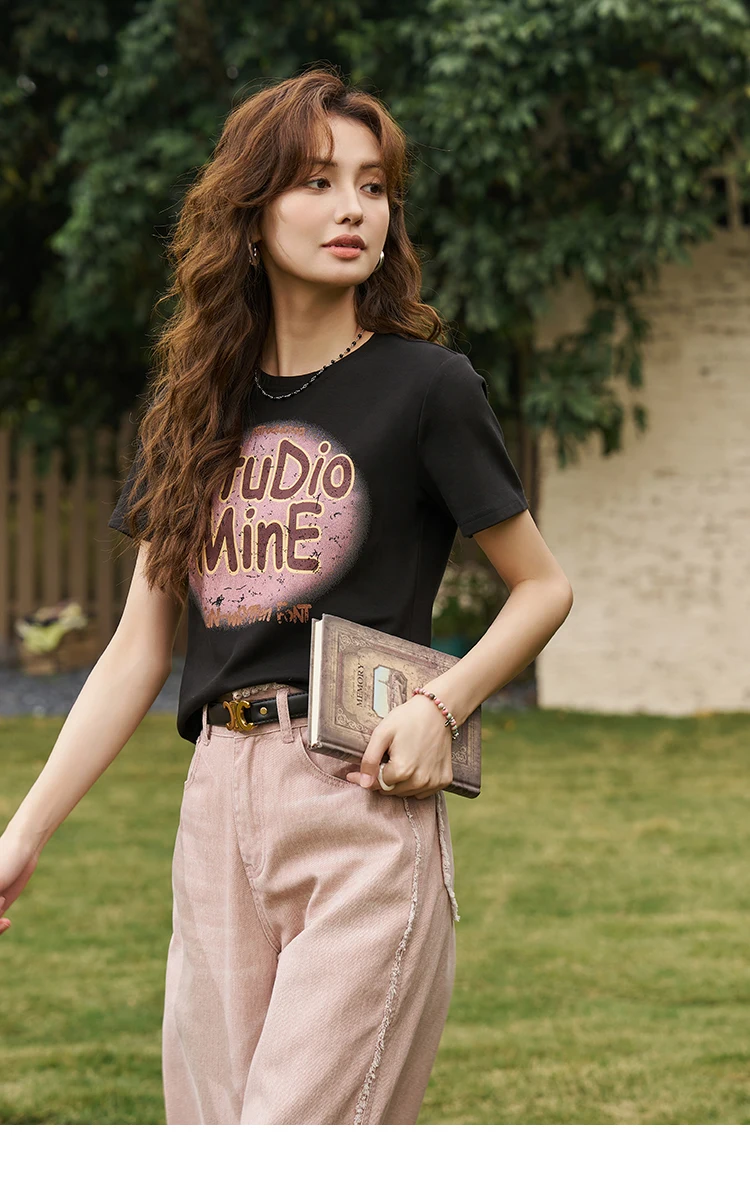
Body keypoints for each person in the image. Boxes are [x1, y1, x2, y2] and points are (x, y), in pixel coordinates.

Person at [0, 66, 573, 1124]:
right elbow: (137, 649)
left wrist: (439, 705)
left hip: (356, 790)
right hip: (215, 801)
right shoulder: (193, 409)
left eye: (372, 185)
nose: (353, 207)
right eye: (317, 181)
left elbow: (542, 587)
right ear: (252, 211)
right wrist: (22, 831)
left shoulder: (427, 387)